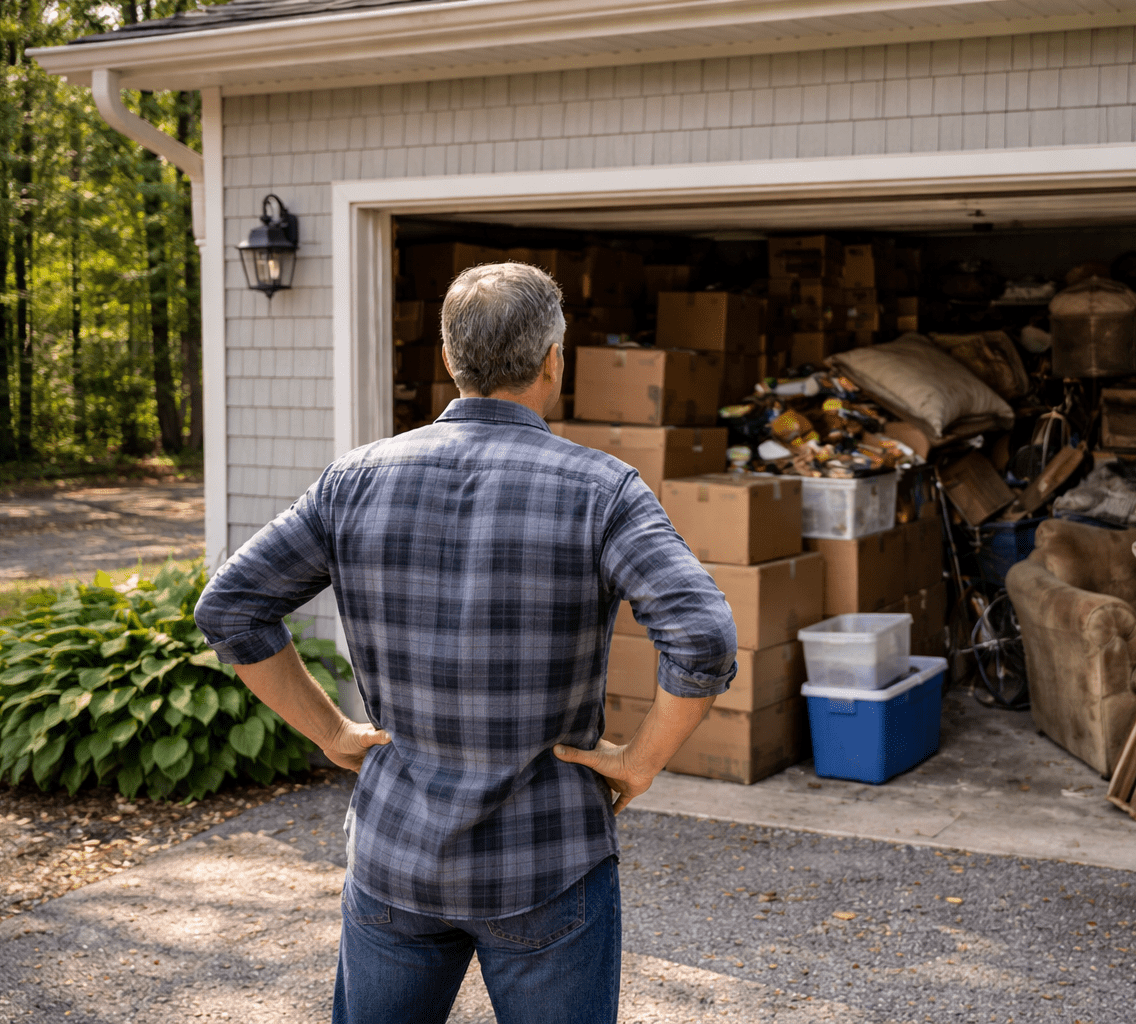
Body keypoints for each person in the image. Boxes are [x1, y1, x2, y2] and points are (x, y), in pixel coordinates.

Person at [194, 261, 736, 1024]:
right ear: (554, 363)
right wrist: (640, 761)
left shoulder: (353, 481)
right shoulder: (602, 490)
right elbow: (703, 635)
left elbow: (231, 608)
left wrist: (333, 733)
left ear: (450, 359)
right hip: (548, 859)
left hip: (395, 857)